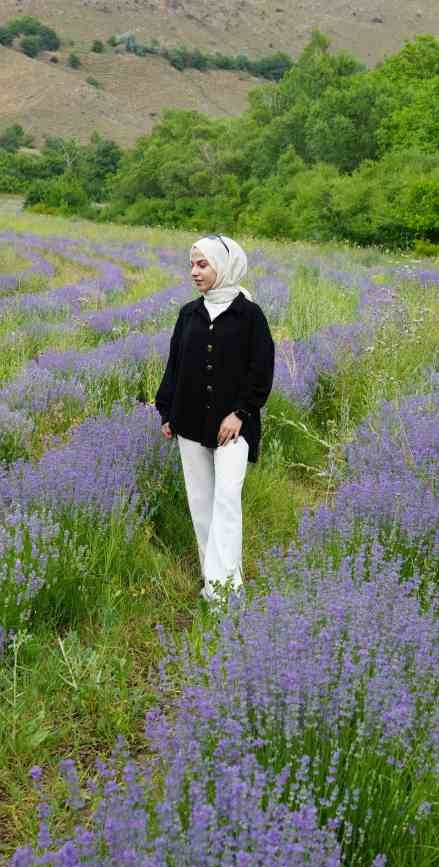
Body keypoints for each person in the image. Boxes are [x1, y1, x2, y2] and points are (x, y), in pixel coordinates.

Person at [154, 235, 274, 603]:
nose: (194, 272)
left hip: (233, 428)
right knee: (201, 502)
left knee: (226, 501)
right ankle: (212, 581)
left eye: (202, 264)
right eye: (192, 264)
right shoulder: (188, 313)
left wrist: (240, 413)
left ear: (224, 267)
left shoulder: (249, 315)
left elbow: (261, 369)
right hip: (189, 422)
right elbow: (175, 365)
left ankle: (226, 592)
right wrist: (167, 411)